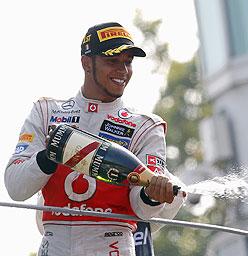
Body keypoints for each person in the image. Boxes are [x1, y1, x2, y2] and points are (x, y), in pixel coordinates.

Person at [4, 22, 186, 255]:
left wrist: (153, 196)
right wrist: (49, 157)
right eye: (112, 61)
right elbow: (15, 187)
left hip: (112, 245)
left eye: (128, 62)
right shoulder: (45, 112)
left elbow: (143, 210)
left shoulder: (145, 126)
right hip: (54, 243)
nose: (123, 70)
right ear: (86, 63)